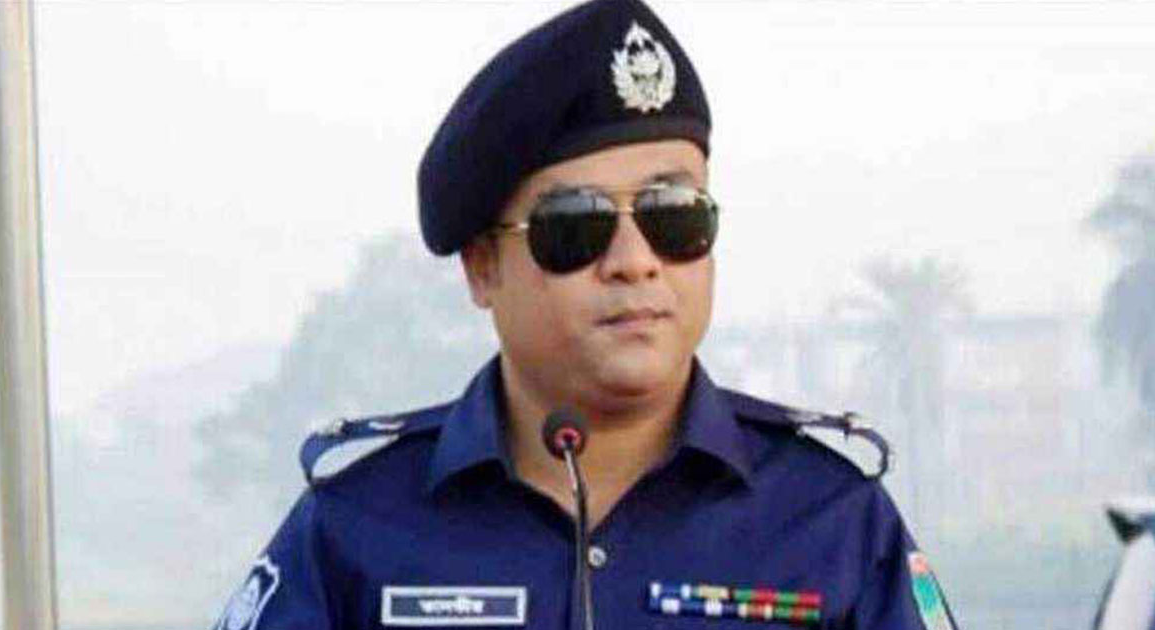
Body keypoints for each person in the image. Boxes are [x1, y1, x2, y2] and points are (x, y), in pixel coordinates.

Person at [212, 1, 959, 628]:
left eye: (673, 214)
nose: (636, 261)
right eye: (576, 224)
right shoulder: (356, 528)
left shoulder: (833, 521)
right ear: (482, 267)